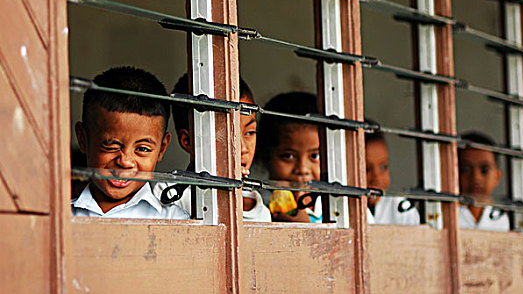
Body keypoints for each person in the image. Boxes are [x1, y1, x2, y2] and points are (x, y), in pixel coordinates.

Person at [72, 66, 189, 220]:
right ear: (82, 139)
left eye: (142, 149)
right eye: (111, 146)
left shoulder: (175, 221)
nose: (125, 161)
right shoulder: (63, 218)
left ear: (162, 148)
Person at [152, 74, 271, 222]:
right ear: (187, 141)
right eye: (225, 136)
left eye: (250, 133)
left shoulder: (260, 211)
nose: (243, 149)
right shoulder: (170, 194)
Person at [256, 92, 375, 223]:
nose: (302, 169)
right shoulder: (258, 208)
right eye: (288, 156)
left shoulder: (344, 204)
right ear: (265, 157)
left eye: (314, 156)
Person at [365, 122, 420, 225]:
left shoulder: (401, 209)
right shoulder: (339, 213)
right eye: (366, 169)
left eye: (383, 167)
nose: (377, 178)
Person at [458, 132, 509, 232]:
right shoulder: (443, 216)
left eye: (484, 171)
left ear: (497, 177)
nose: (476, 178)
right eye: (465, 170)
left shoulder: (503, 220)